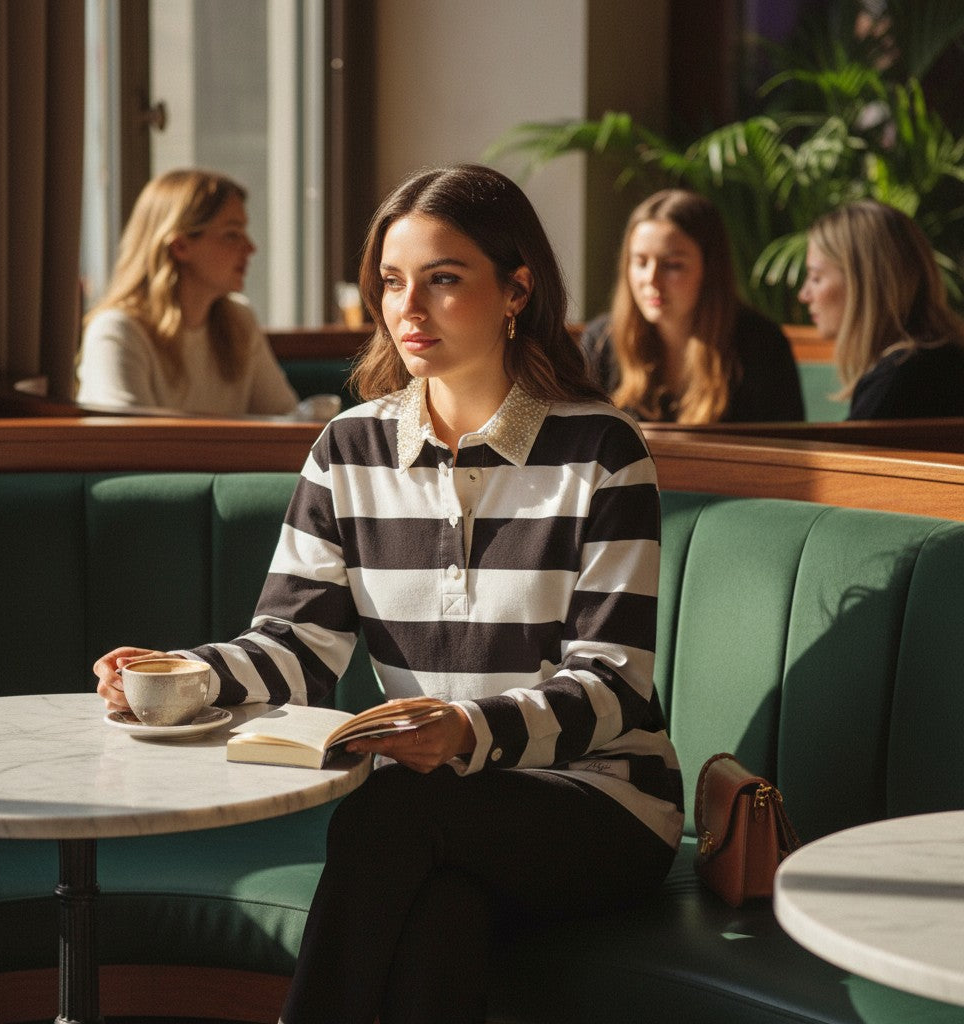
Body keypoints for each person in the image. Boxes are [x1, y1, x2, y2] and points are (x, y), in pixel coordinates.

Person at [94, 164, 682, 1024]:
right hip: (441, 813)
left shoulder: (602, 449)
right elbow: (296, 645)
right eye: (392, 283)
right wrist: (178, 676)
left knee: (396, 808)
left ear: (517, 288)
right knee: (440, 919)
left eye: (444, 281)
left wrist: (466, 731)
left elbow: (614, 681)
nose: (408, 310)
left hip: (603, 804)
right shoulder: (348, 450)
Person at [76, 168, 300, 416]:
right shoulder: (118, 331)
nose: (250, 248)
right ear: (180, 246)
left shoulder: (239, 320)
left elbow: (285, 420)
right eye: (231, 235)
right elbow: (131, 446)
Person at [581, 188, 805, 423]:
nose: (651, 279)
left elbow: (786, 450)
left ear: (709, 269)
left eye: (672, 265)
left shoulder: (762, 345)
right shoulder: (600, 342)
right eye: (640, 262)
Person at [798, 199, 964, 420]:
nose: (804, 295)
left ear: (864, 285)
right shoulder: (946, 360)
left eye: (816, 278)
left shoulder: (897, 380)